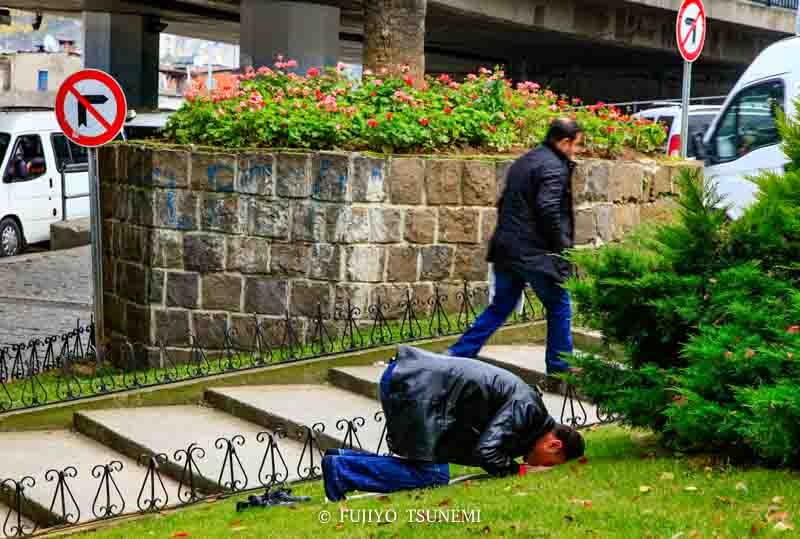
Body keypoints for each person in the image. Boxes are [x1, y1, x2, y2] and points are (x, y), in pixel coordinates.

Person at [321, 345, 585, 501]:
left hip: (416, 383)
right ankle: (342, 471)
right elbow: (486, 452)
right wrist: (520, 472)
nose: (538, 466)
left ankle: (341, 460)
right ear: (553, 444)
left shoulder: (530, 416)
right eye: (549, 464)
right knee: (432, 475)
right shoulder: (527, 410)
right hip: (415, 386)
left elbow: (477, 447)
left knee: (431, 469)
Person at [447, 118, 584, 374]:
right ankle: (560, 365)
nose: (577, 151)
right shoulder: (554, 167)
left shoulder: (527, 160)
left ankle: (458, 352)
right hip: (534, 253)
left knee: (501, 306)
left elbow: (505, 202)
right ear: (564, 142)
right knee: (559, 304)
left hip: (507, 248)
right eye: (576, 145)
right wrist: (563, 248)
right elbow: (548, 209)